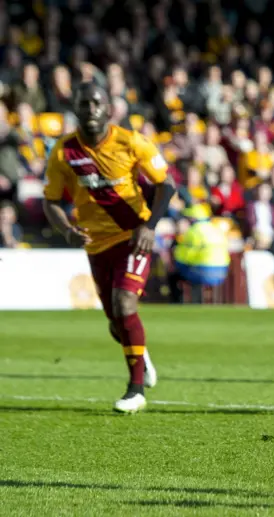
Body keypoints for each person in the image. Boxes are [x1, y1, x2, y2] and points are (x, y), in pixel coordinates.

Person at [42, 82, 176, 413]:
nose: (91, 109)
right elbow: (51, 201)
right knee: (117, 322)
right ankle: (140, 354)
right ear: (75, 107)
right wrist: (67, 231)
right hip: (95, 244)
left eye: (96, 103)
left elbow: (166, 185)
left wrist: (150, 226)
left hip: (133, 237)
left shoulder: (131, 142)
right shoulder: (63, 152)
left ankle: (135, 389)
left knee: (125, 301)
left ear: (109, 109)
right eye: (84, 103)